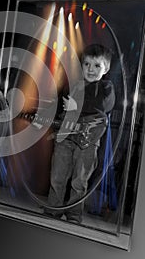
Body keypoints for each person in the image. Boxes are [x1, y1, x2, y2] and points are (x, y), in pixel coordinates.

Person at [45, 44, 115, 223]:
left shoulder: (106, 87)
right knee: (57, 176)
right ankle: (53, 209)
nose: (91, 69)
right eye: (87, 64)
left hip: (88, 143)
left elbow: (102, 106)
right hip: (66, 137)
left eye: (97, 66)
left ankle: (74, 215)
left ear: (106, 68)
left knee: (79, 181)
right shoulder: (74, 85)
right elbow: (63, 109)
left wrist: (77, 106)